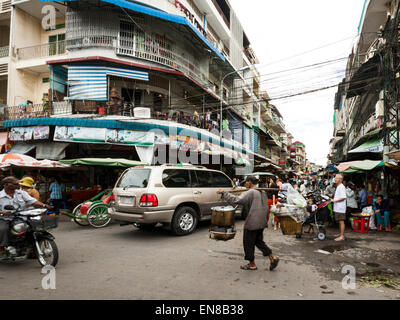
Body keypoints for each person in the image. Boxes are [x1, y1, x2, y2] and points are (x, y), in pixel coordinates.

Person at [217, 176, 279, 271]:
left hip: (253, 222)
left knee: (248, 243)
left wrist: (224, 193)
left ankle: (252, 264)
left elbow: (237, 200)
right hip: (261, 221)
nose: (245, 184)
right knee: (258, 242)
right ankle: (272, 258)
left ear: (249, 182)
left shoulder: (251, 192)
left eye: (246, 182)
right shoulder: (262, 191)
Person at [0, 176, 53, 255]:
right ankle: (2, 247)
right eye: (16, 184)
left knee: (34, 227)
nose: (19, 185)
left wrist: (44, 205)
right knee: (3, 229)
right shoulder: (0, 196)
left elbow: (32, 201)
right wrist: (3, 212)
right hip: (6, 218)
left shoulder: (21, 193)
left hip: (22, 216)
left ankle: (33, 248)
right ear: (7, 185)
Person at [332, 174, 347, 241]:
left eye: (336, 178)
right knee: (339, 221)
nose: (335, 179)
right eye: (335, 178)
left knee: (341, 221)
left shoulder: (341, 187)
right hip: (337, 207)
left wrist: (335, 200)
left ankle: (342, 236)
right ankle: (341, 233)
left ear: (340, 180)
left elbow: (343, 197)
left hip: (340, 207)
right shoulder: (338, 186)